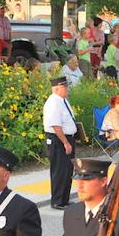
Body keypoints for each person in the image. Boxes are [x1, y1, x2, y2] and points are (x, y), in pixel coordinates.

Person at [44, 77, 77, 210]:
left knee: (68, 170)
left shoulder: (62, 101)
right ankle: (57, 200)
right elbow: (56, 126)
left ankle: (64, 199)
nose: (67, 89)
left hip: (67, 138)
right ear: (56, 88)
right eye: (64, 87)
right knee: (59, 171)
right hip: (58, 140)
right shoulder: (53, 102)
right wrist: (65, 143)